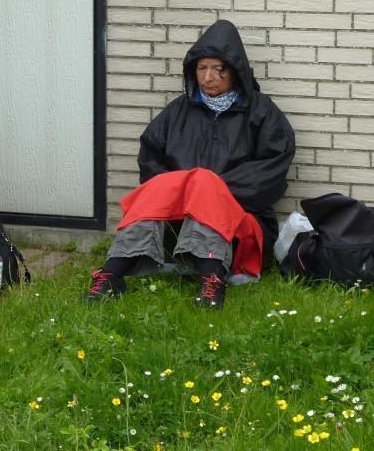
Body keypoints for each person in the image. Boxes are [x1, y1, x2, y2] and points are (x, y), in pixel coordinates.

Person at [88, 20, 295, 309]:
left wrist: (209, 189)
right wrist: (184, 191)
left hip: (238, 218)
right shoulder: (177, 111)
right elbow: (150, 160)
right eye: (201, 68)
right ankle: (110, 274)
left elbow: (270, 171)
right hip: (177, 219)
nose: (208, 77)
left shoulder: (261, 112)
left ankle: (212, 279)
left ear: (235, 70)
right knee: (158, 194)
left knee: (205, 186)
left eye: (218, 69)